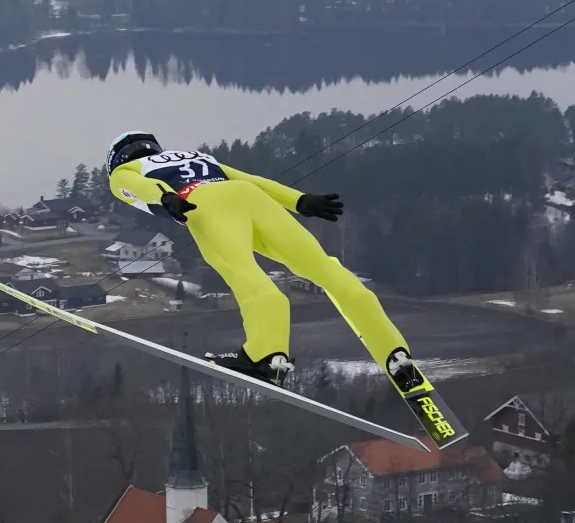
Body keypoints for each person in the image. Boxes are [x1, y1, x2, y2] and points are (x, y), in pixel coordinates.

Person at [106, 130, 428, 392]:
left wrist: (166, 197)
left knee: (247, 276)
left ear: (118, 158)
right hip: (249, 196)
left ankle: (267, 357)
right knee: (325, 269)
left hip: (203, 205)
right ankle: (393, 351)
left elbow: (137, 186)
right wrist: (300, 201)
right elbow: (253, 180)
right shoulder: (197, 157)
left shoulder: (124, 170)